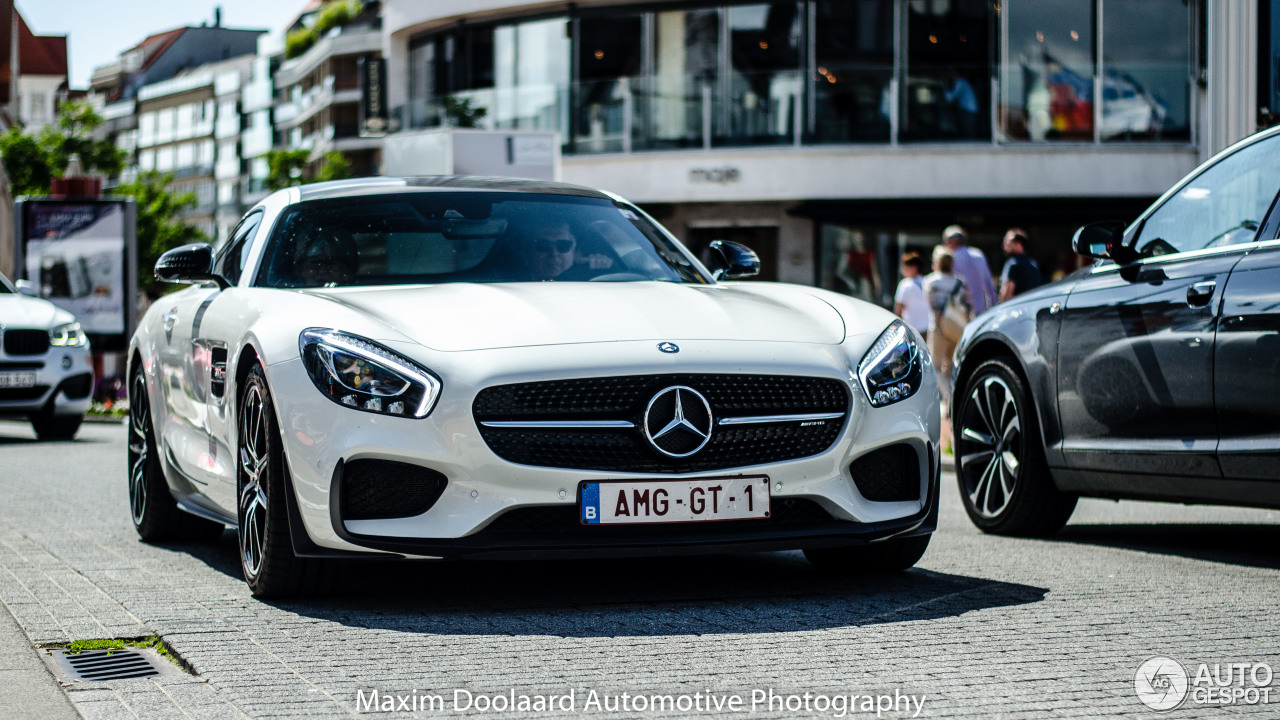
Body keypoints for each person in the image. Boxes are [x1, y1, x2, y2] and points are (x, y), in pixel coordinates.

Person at [923, 245, 972, 419]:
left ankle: (950, 398)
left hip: (938, 329)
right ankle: (950, 404)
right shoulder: (960, 282)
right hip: (957, 329)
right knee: (950, 367)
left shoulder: (930, 281)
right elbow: (968, 306)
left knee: (934, 367)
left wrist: (940, 321)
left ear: (937, 262)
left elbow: (933, 306)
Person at [522, 220, 612, 281]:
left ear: (572, 253)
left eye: (563, 245)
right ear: (527, 254)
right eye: (543, 245)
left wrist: (602, 269)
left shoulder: (587, 285)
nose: (554, 253)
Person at [941, 224, 997, 315]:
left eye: (946, 242)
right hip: (982, 311)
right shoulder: (978, 254)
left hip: (962, 314)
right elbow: (989, 284)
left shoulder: (952, 258)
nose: (945, 245)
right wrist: (993, 307)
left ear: (954, 241)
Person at [998, 227, 1045, 301]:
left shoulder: (1012, 264)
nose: (1004, 247)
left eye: (1007, 243)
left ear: (1018, 244)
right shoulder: (1034, 265)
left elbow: (1007, 293)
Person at [893, 251, 930, 336]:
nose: (903, 271)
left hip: (911, 330)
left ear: (914, 268)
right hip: (928, 328)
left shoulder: (905, 284)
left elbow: (898, 309)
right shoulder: (928, 281)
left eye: (905, 268)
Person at [945, 68, 979, 138]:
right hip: (967, 110)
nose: (948, 77)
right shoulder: (961, 82)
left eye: (949, 74)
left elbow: (951, 97)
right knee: (966, 131)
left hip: (968, 110)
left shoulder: (960, 82)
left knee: (968, 132)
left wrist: (945, 90)